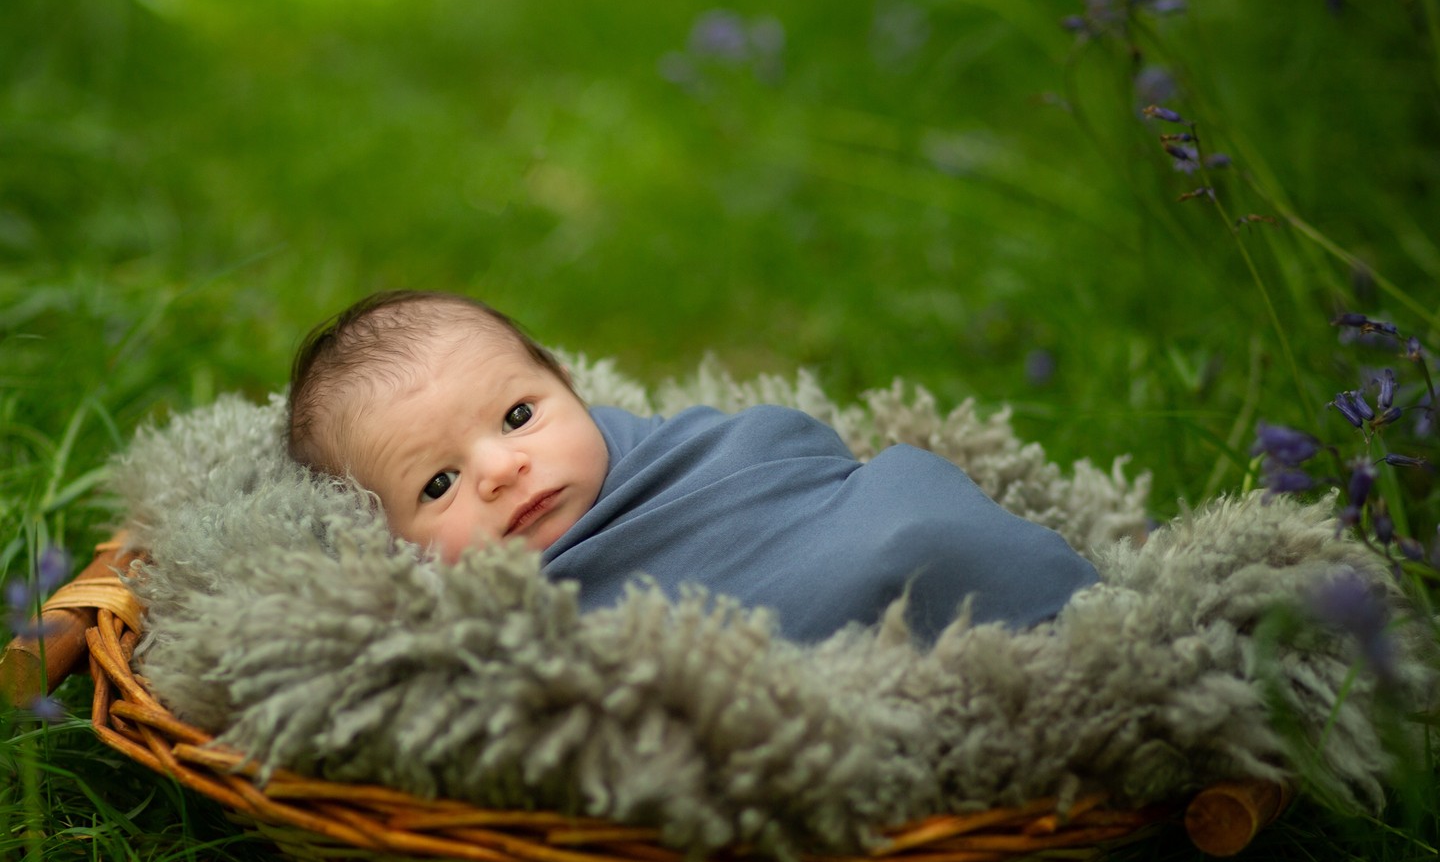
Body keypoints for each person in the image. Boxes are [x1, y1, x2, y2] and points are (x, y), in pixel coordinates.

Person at [288, 290, 1099, 644]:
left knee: (915, 527)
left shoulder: (700, 453)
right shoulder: (505, 634)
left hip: (890, 532)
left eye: (518, 415)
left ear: (569, 386)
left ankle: (1076, 608)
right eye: (437, 485)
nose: (501, 469)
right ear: (380, 537)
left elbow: (805, 466)